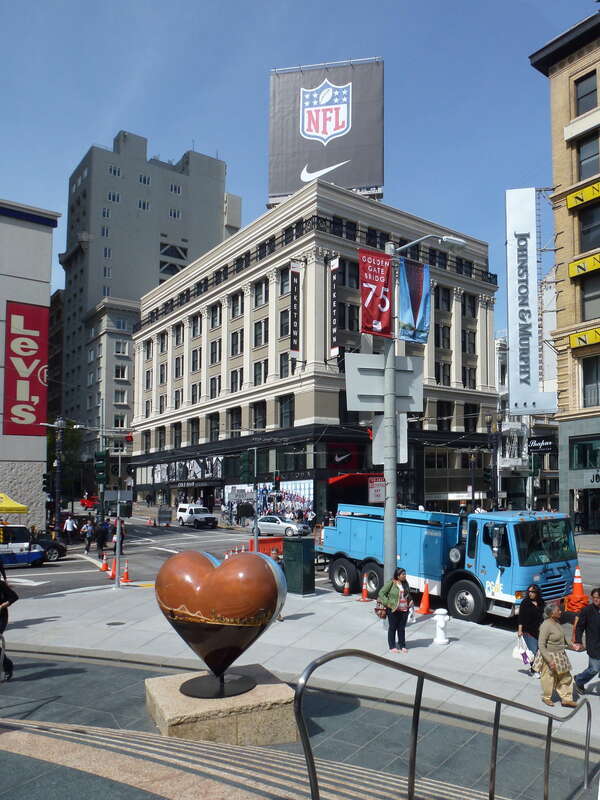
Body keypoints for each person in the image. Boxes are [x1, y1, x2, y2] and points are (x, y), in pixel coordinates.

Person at [536, 603, 577, 707]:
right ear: (551, 613)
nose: (560, 612)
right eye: (558, 610)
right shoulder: (545, 625)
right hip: (549, 655)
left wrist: (571, 645)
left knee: (566, 677)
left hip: (560, 655)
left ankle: (566, 699)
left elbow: (562, 636)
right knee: (549, 678)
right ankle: (546, 697)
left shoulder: (557, 622)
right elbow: (541, 645)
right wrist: (549, 660)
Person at [378, 567, 414, 654]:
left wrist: (411, 600)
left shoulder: (405, 583)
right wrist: (388, 603)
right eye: (403, 574)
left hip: (404, 609)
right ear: (398, 575)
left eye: (405, 574)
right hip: (393, 609)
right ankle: (392, 646)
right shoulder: (391, 583)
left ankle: (402, 645)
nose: (405, 576)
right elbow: (381, 593)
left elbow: (408, 594)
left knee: (401, 628)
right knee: (393, 628)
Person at [573, 587, 600, 694]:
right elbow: (580, 627)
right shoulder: (587, 610)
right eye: (594, 598)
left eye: (598, 598)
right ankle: (579, 680)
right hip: (594, 645)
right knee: (594, 669)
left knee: (593, 668)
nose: (596, 600)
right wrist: (578, 641)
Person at [517, 584, 544, 677]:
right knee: (533, 651)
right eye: (529, 592)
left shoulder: (541, 602)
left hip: (539, 631)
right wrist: (520, 630)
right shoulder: (525, 602)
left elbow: (544, 616)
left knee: (539, 651)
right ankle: (534, 670)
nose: (530, 594)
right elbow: (521, 617)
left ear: (537, 593)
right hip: (527, 631)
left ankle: (534, 669)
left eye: (532, 592)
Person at [0, 578, 18, 681]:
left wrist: (2, 605)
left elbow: (14, 597)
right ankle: (7, 664)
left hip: (1, 617)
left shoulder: (1, 584)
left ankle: (7, 666)